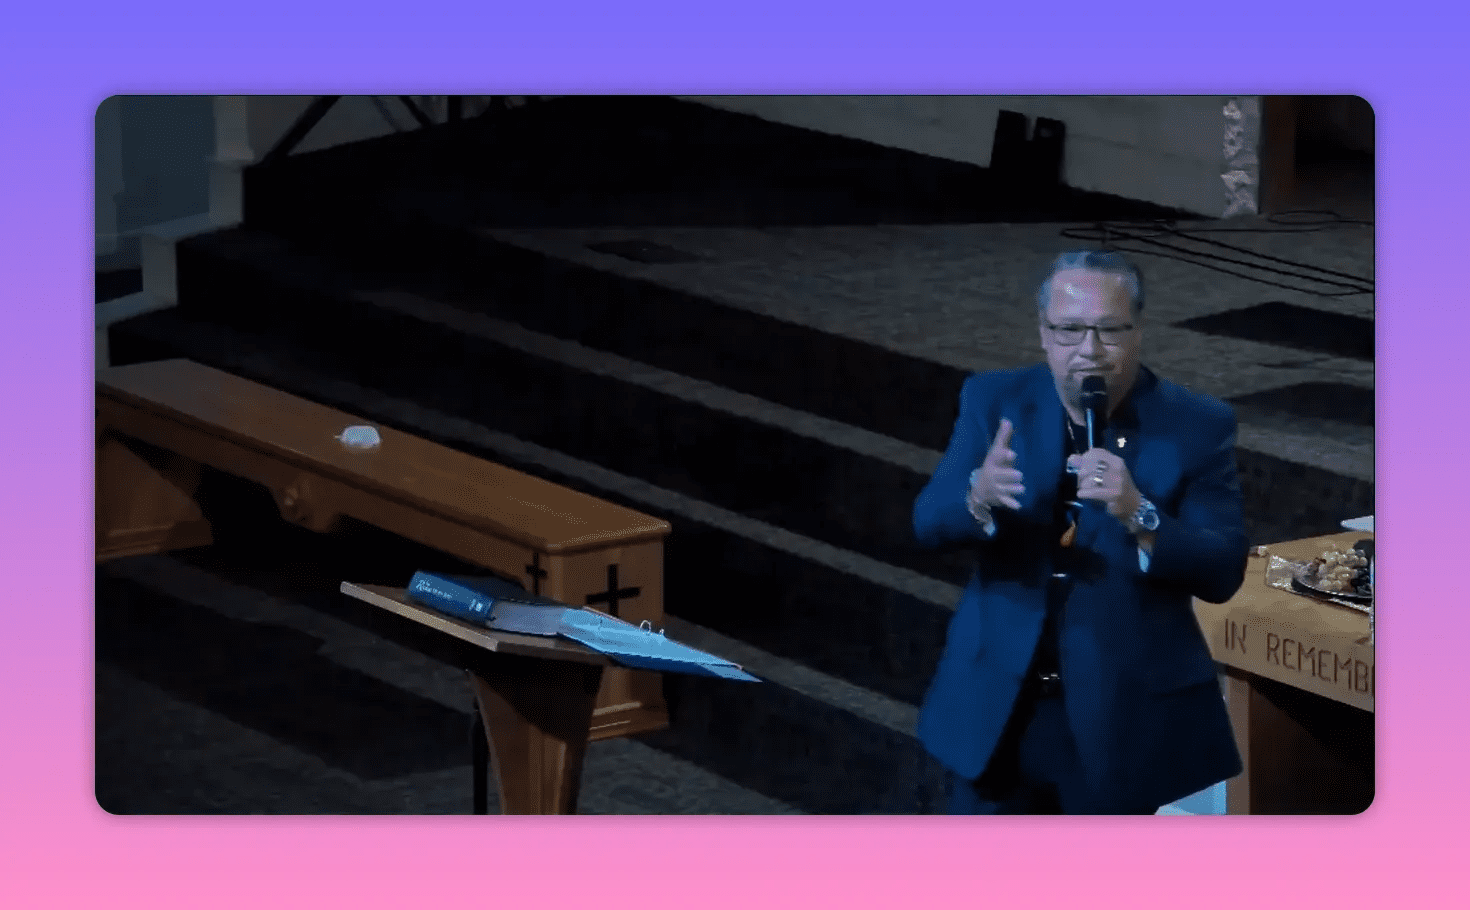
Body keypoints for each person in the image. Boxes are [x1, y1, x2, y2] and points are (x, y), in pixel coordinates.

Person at [913, 249, 1247, 814]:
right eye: (1070, 330)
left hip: (1118, 720)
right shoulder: (994, 401)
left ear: (1137, 333)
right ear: (1043, 335)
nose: (1089, 351)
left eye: (1109, 330)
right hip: (997, 710)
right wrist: (977, 495)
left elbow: (1221, 570)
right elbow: (927, 522)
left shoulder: (1196, 424)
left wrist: (1139, 512)